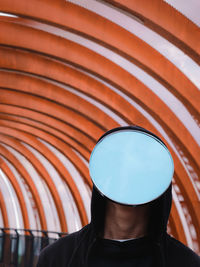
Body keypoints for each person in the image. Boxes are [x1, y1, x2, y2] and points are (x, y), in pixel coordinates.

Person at [37, 126, 200, 267]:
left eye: (139, 168)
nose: (127, 175)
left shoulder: (184, 262)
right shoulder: (58, 258)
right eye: (120, 166)